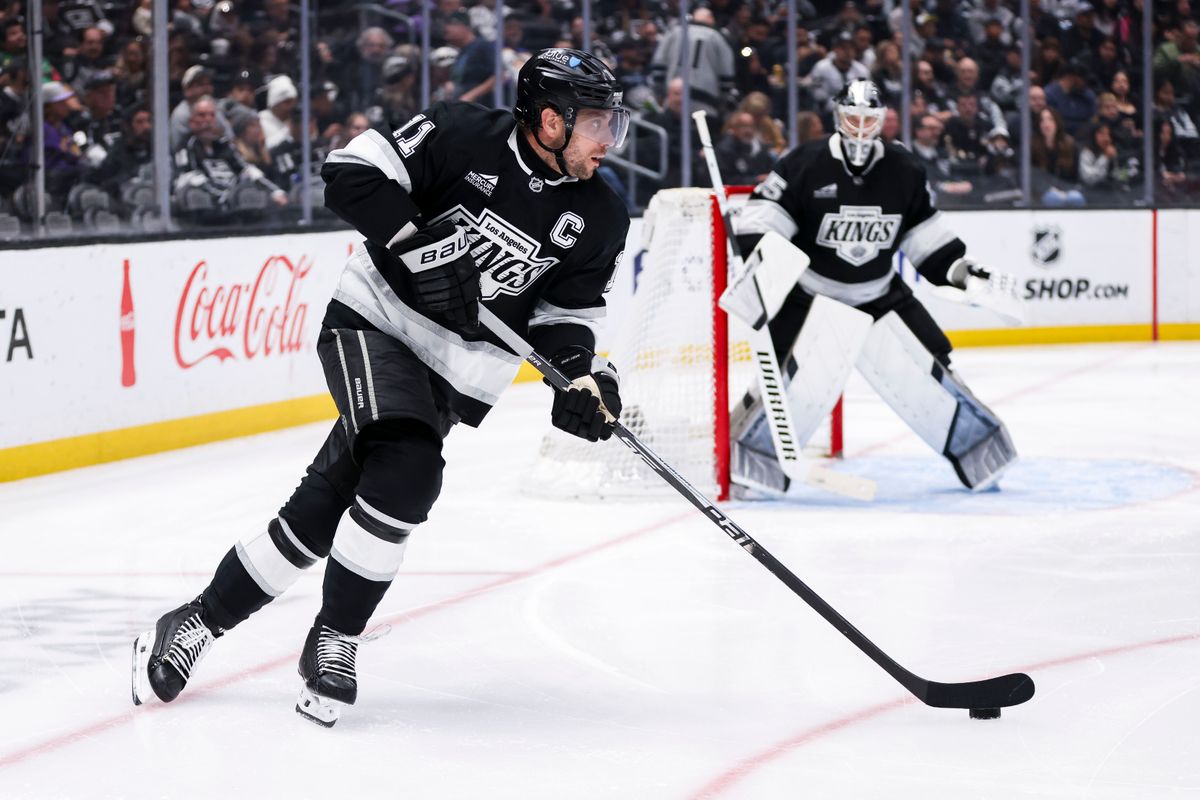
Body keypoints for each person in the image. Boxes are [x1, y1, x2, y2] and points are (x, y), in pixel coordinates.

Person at [132, 48, 631, 727]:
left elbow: (566, 317)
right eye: (598, 124)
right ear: (550, 120)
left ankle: (194, 622)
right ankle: (336, 636)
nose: (610, 141)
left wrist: (576, 378)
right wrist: (421, 246)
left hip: (456, 370)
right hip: (376, 322)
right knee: (408, 467)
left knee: (323, 508)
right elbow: (350, 172)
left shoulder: (601, 214)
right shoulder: (459, 133)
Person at [730, 79, 1017, 493]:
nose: (860, 128)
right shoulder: (805, 162)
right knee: (786, 386)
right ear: (837, 116)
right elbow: (764, 214)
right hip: (810, 296)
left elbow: (926, 240)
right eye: (853, 118)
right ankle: (751, 463)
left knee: (932, 373)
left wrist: (959, 270)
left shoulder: (904, 169)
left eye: (869, 119)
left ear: (882, 120)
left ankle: (980, 452)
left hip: (879, 295)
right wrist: (761, 253)